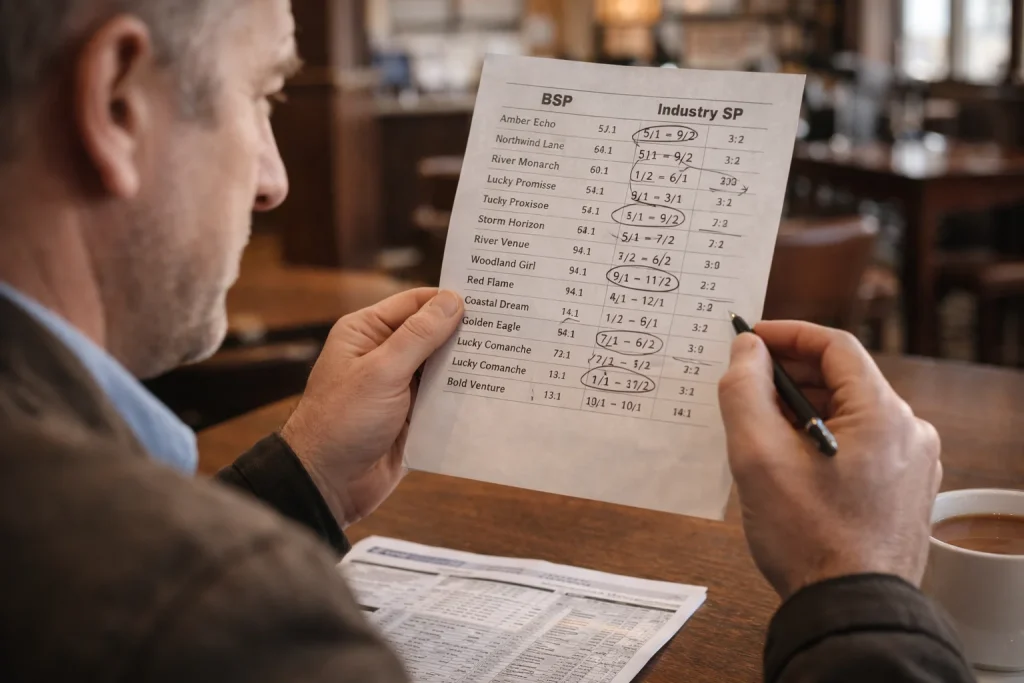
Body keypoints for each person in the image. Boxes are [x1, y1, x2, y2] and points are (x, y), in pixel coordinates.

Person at [0, 1, 974, 681]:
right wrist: (861, 585)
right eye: (263, 95)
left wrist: (306, 481)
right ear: (118, 101)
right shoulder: (225, 615)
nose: (272, 180)